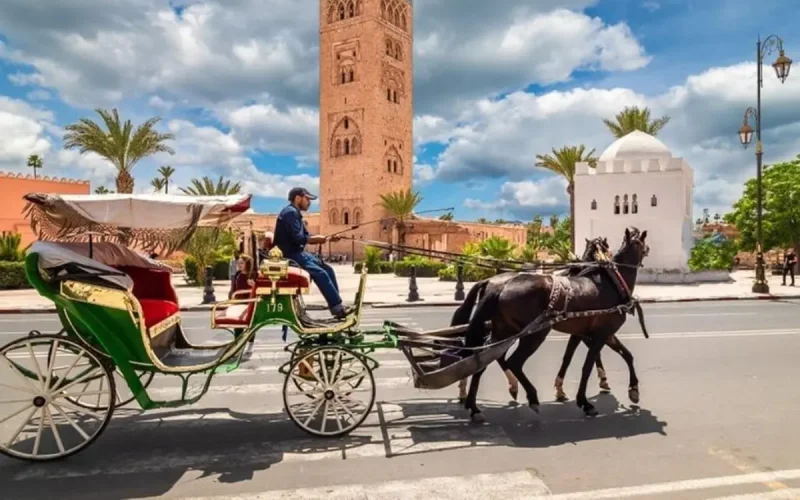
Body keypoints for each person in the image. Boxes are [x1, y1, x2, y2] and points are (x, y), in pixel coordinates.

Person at [273, 187, 352, 319]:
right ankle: (337, 308)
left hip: (298, 253)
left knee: (328, 269)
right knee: (320, 273)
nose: (309, 202)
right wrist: (319, 239)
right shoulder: (290, 213)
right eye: (307, 199)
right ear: (298, 198)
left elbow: (306, 236)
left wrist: (327, 238)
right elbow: (299, 238)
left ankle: (337, 306)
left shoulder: (295, 213)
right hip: (290, 255)